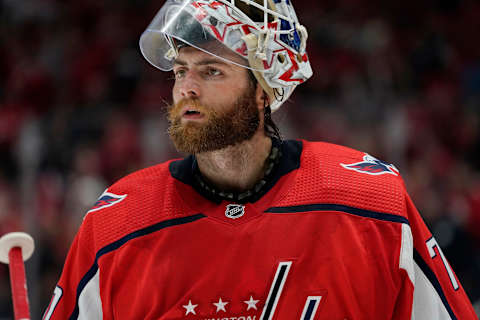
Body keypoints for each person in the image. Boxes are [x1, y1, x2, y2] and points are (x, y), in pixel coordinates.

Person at [44, 0, 478, 319]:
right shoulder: (117, 223)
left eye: (211, 71)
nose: (186, 89)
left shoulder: (369, 201)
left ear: (263, 90)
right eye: (180, 70)